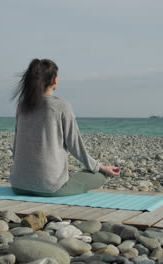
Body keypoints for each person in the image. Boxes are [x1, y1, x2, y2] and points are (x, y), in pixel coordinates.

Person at [10, 58, 120, 197]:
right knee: (99, 175)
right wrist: (101, 167)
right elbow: (75, 147)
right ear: (55, 80)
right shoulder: (61, 106)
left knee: (72, 174)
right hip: (50, 188)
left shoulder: (22, 105)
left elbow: (16, 144)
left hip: (18, 186)